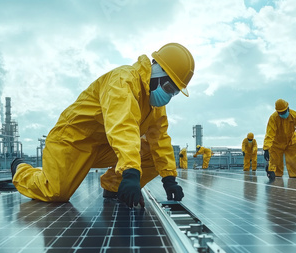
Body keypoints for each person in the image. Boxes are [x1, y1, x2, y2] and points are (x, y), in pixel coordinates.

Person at [11, 43, 195, 208]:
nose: (168, 96)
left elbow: (160, 139)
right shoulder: (123, 80)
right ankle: (21, 170)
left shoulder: (154, 105)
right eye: (169, 89)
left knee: (153, 154)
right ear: (157, 72)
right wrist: (131, 172)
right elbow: (122, 125)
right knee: (56, 193)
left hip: (104, 145)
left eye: (175, 93)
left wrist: (169, 178)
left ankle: (114, 187)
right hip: (73, 141)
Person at [263, 99, 296, 181]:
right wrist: (266, 149)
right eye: (280, 113)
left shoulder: (294, 115)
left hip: (291, 142)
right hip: (276, 143)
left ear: (288, 108)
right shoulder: (273, 118)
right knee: (275, 168)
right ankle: (276, 187)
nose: (282, 114)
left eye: (284, 112)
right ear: (277, 112)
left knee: (295, 163)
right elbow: (269, 134)